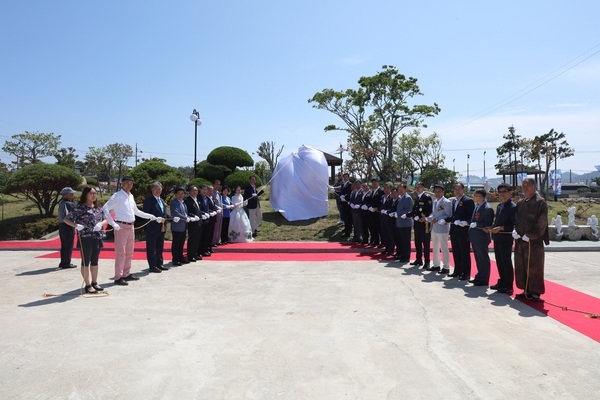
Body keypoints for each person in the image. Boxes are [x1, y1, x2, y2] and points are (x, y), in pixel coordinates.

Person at [102, 176, 162, 286]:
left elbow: (136, 211)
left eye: (131, 183)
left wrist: (152, 216)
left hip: (131, 227)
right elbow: (105, 208)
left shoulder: (131, 196)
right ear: (122, 184)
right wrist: (113, 223)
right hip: (121, 226)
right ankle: (118, 277)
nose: (129, 185)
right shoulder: (117, 196)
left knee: (129, 252)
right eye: (127, 183)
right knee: (121, 253)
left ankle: (126, 273)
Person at [63, 187, 107, 294]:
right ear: (85, 195)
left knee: (95, 261)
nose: (94, 195)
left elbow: (105, 219)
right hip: (85, 237)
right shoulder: (80, 208)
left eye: (95, 193)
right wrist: (76, 225)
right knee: (85, 261)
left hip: (97, 236)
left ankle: (94, 282)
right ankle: (87, 284)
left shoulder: (98, 208)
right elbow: (66, 219)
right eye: (91, 193)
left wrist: (101, 224)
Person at [512, 178, 549, 301]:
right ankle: (525, 288)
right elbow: (517, 220)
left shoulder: (540, 203)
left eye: (527, 186)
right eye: (523, 186)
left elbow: (542, 223)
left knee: (534, 266)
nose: (524, 188)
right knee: (521, 265)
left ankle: (536, 291)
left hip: (534, 242)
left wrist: (531, 235)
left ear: (534, 187)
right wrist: (515, 231)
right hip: (520, 240)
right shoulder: (520, 203)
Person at [489, 183, 516, 295]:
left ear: (510, 193)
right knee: (499, 261)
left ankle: (508, 285)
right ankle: (502, 281)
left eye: (505, 191)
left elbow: (513, 224)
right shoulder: (500, 206)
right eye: (500, 192)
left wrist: (500, 228)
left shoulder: (513, 207)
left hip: (506, 236)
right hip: (498, 237)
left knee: (506, 261)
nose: (502, 194)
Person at [447, 182, 475, 280]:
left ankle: (466, 273)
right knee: (456, 251)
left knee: (464, 252)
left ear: (463, 190)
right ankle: (457, 270)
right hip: (454, 229)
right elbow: (454, 215)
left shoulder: (468, 201)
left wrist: (465, 222)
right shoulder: (454, 201)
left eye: (459, 189)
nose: (457, 191)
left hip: (463, 230)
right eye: (455, 189)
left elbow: (472, 216)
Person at [468, 189, 494, 286]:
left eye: (475, 196)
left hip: (481, 237)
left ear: (481, 197)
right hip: (475, 236)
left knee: (483, 258)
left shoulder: (487, 208)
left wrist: (477, 224)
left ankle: (484, 279)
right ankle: (479, 276)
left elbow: (488, 224)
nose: (473, 197)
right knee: (478, 259)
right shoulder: (478, 206)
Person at [143, 182, 170, 273]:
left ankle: (159, 263)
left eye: (160, 189)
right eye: (156, 189)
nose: (159, 191)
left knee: (160, 246)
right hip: (152, 227)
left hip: (161, 227)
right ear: (152, 190)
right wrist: (154, 218)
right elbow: (146, 213)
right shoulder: (149, 200)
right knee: (151, 247)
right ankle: (152, 265)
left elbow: (164, 213)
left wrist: (170, 218)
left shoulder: (161, 200)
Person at [406, 182, 433, 269]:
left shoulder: (426, 197)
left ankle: (427, 261)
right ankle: (418, 259)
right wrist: (413, 216)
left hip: (424, 223)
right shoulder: (417, 198)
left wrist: (422, 217)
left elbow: (429, 211)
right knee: (417, 242)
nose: (417, 188)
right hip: (417, 223)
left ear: (423, 188)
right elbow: (415, 210)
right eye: (416, 187)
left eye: (419, 187)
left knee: (426, 244)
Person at [427, 184, 453, 274]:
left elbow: (448, 215)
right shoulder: (435, 201)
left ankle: (446, 267)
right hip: (434, 227)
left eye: (439, 191)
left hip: (442, 227)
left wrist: (438, 219)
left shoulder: (447, 202)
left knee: (444, 247)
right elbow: (434, 214)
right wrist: (429, 218)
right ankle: (436, 265)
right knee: (435, 247)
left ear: (443, 192)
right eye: (436, 191)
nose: (437, 193)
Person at [170, 187, 190, 266]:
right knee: (176, 243)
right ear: (175, 194)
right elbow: (176, 213)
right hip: (177, 226)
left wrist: (188, 217)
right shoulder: (174, 203)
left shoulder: (183, 202)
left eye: (182, 194)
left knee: (181, 243)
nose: (181, 195)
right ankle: (175, 259)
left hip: (183, 226)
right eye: (179, 194)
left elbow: (185, 213)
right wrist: (186, 218)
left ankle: (181, 257)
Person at [58, 187, 77, 269]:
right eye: (71, 193)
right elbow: (75, 213)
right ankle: (66, 263)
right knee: (69, 245)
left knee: (64, 245)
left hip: (61, 226)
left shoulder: (61, 202)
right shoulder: (68, 204)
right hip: (68, 226)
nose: (73, 195)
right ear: (66, 195)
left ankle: (63, 262)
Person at [395, 183, 413, 263]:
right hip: (399, 222)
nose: (400, 191)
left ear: (405, 189)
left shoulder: (407, 198)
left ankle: (406, 256)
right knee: (400, 240)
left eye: (401, 189)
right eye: (399, 189)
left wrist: (398, 214)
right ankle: (401, 254)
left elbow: (408, 209)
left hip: (405, 223)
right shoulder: (400, 197)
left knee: (405, 241)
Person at [184, 186, 203, 262]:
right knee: (192, 239)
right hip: (192, 222)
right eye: (193, 191)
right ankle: (191, 255)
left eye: (196, 191)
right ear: (189, 191)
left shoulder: (196, 199)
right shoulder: (187, 200)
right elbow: (187, 211)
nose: (195, 192)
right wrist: (193, 216)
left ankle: (195, 253)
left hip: (198, 222)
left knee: (197, 239)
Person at [368, 178, 384, 247]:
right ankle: (376, 241)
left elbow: (382, 202)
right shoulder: (372, 191)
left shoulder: (381, 191)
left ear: (378, 183)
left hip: (378, 212)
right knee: (373, 227)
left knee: (380, 228)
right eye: (373, 182)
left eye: (375, 182)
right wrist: (369, 206)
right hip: (372, 212)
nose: (374, 184)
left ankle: (383, 242)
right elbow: (370, 201)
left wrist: (377, 208)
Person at [211, 180, 224, 246]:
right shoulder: (212, 192)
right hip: (215, 212)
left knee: (219, 227)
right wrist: (217, 208)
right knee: (215, 228)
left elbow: (220, 203)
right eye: (216, 184)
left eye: (219, 184)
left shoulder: (218, 193)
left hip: (220, 212)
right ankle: (213, 241)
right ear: (213, 184)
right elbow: (212, 203)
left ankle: (217, 240)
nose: (217, 186)